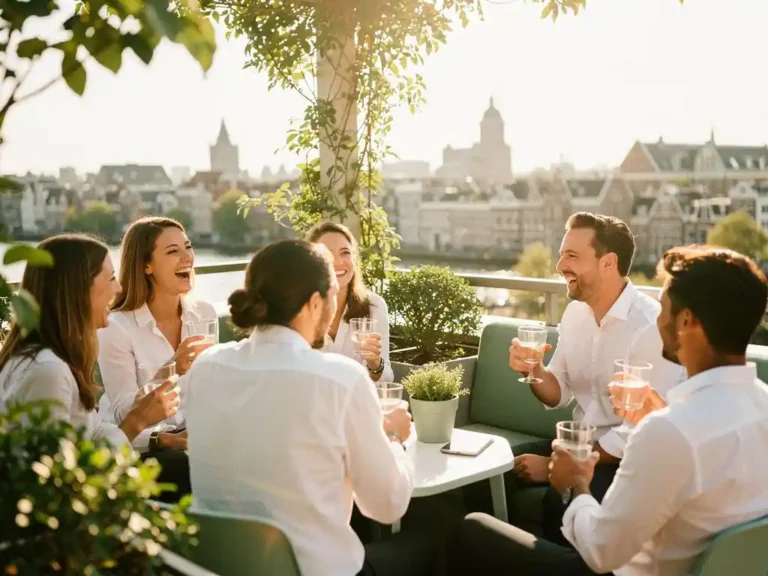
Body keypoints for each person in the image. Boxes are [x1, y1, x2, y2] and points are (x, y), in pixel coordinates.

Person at [449, 245, 768, 575]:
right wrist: (654, 415)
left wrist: (577, 484)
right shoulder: (759, 405)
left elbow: (601, 552)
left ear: (686, 321)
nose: (658, 320)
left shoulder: (669, 433)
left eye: (663, 308)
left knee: (472, 530)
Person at [184, 240, 420, 576]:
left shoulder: (206, 367)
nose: (335, 301)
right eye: (333, 293)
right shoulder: (340, 380)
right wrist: (395, 436)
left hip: (217, 567)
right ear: (313, 303)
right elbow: (386, 506)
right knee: (439, 545)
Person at [504, 212, 685, 538]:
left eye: (571, 256)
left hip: (626, 461)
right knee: (492, 467)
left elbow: (638, 434)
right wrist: (534, 370)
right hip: (579, 441)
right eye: (561, 254)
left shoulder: (651, 327)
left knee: (560, 497)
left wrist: (551, 468)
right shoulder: (575, 313)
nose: (560, 265)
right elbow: (558, 391)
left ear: (608, 262)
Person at [0, 234, 175, 449]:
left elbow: (92, 430)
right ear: (80, 289)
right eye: (111, 278)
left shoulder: (55, 356)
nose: (119, 288)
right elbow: (58, 471)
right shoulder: (48, 370)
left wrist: (162, 439)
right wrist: (137, 420)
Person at [98, 217, 216, 497]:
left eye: (187, 247)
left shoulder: (204, 314)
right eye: (173, 251)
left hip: (191, 436)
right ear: (146, 265)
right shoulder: (117, 327)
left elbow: (208, 393)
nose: (187, 256)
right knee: (195, 470)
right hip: (141, 446)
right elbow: (124, 414)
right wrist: (171, 368)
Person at [307, 222, 394, 383]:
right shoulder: (300, 308)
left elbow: (386, 378)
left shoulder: (374, 306)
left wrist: (374, 362)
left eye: (345, 253)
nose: (338, 262)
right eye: (328, 255)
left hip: (356, 404)